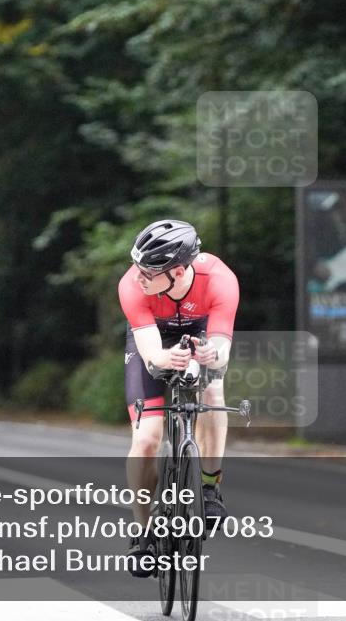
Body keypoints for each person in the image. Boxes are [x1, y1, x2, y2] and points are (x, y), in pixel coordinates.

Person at [118, 220, 239, 576]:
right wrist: (163, 359)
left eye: (149, 272)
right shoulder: (132, 286)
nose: (138, 277)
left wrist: (208, 356)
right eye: (137, 268)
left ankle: (210, 487)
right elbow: (150, 352)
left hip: (201, 331)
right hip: (153, 339)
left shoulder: (220, 280)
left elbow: (222, 349)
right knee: (146, 438)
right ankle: (141, 534)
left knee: (213, 392)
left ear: (179, 270)